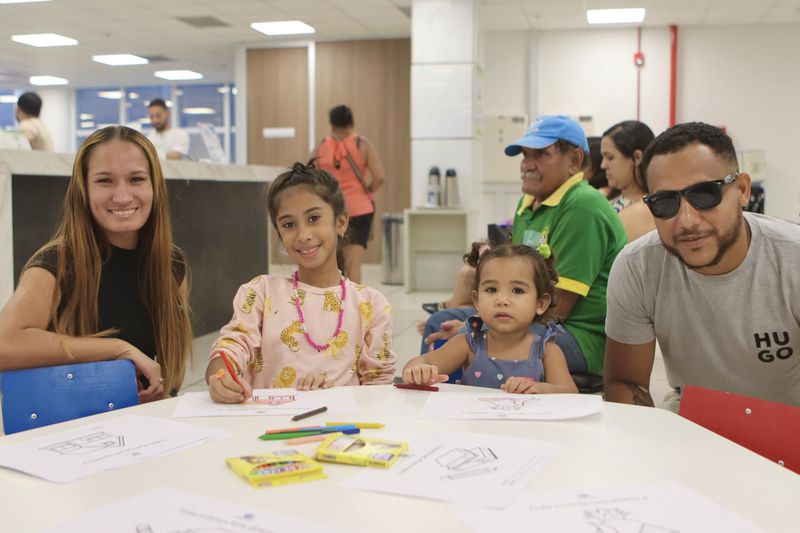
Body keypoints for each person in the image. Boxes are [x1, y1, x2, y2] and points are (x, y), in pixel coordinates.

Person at [604, 122, 800, 409]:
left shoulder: (792, 259)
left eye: (705, 194)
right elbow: (624, 382)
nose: (687, 221)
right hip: (694, 430)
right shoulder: (638, 267)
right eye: (664, 202)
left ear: (742, 190)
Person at [422, 115, 628, 378]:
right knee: (440, 322)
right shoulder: (529, 202)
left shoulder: (582, 206)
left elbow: (558, 307)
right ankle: (430, 401)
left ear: (574, 161)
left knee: (461, 339)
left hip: (580, 335)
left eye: (541, 155)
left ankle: (459, 405)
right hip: (533, 317)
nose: (527, 165)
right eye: (525, 155)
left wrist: (474, 329)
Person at [0, 126, 192, 401]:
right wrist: (116, 349)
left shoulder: (171, 263)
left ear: (155, 187)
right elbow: (4, 344)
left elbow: (172, 369)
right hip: (67, 430)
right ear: (83, 190)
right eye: (105, 181)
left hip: (143, 426)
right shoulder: (55, 264)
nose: (122, 196)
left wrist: (158, 392)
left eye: (136, 179)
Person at [206, 161, 396, 404]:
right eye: (288, 224)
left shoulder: (371, 305)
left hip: (339, 432)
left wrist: (334, 396)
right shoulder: (261, 292)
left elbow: (378, 389)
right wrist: (220, 377)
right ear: (279, 233)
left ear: (340, 222)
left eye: (314, 218)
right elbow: (231, 347)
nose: (303, 234)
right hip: (266, 430)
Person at [404, 244, 578, 394]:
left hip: (526, 432)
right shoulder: (469, 345)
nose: (501, 300)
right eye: (491, 290)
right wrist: (417, 370)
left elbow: (570, 394)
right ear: (477, 300)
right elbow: (421, 361)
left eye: (517, 290)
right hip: (475, 431)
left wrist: (540, 389)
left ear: (540, 303)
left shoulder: (546, 351)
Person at [310, 105, 385, 284]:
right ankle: (353, 307)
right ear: (352, 121)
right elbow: (379, 177)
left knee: (329, 262)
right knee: (353, 265)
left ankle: (330, 303)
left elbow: (310, 175)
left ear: (332, 124)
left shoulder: (322, 145)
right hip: (359, 210)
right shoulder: (362, 144)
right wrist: (365, 190)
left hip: (330, 210)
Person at [600, 120, 656, 242]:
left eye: (610, 157)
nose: (603, 165)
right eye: (603, 158)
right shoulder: (607, 200)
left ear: (637, 157)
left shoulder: (645, 210)